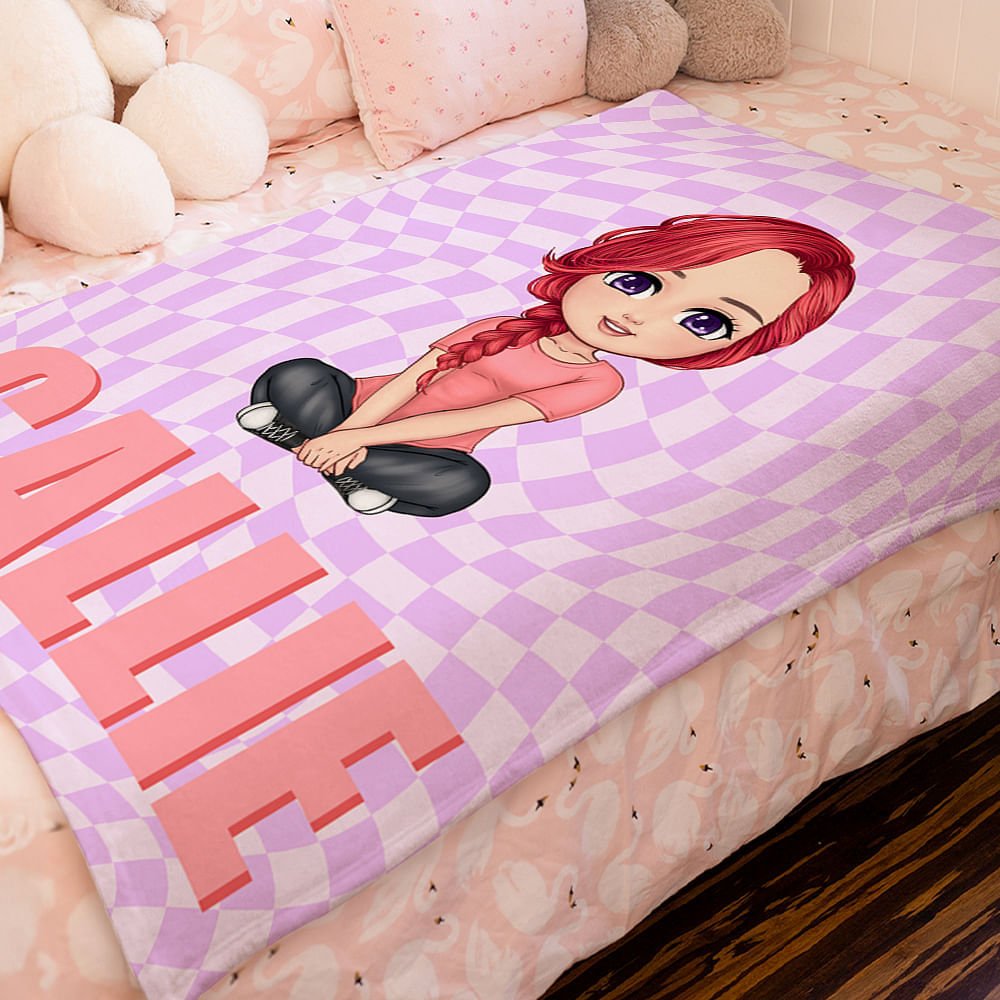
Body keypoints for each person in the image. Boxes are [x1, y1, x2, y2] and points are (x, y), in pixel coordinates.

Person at [237, 213, 856, 517]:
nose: (641, 315)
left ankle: (309, 444)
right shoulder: (495, 326)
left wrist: (364, 441)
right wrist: (351, 429)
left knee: (459, 485)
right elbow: (408, 380)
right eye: (639, 281)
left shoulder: (598, 380)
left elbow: (477, 416)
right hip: (358, 409)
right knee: (300, 375)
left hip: (420, 446)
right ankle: (341, 464)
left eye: (704, 323)